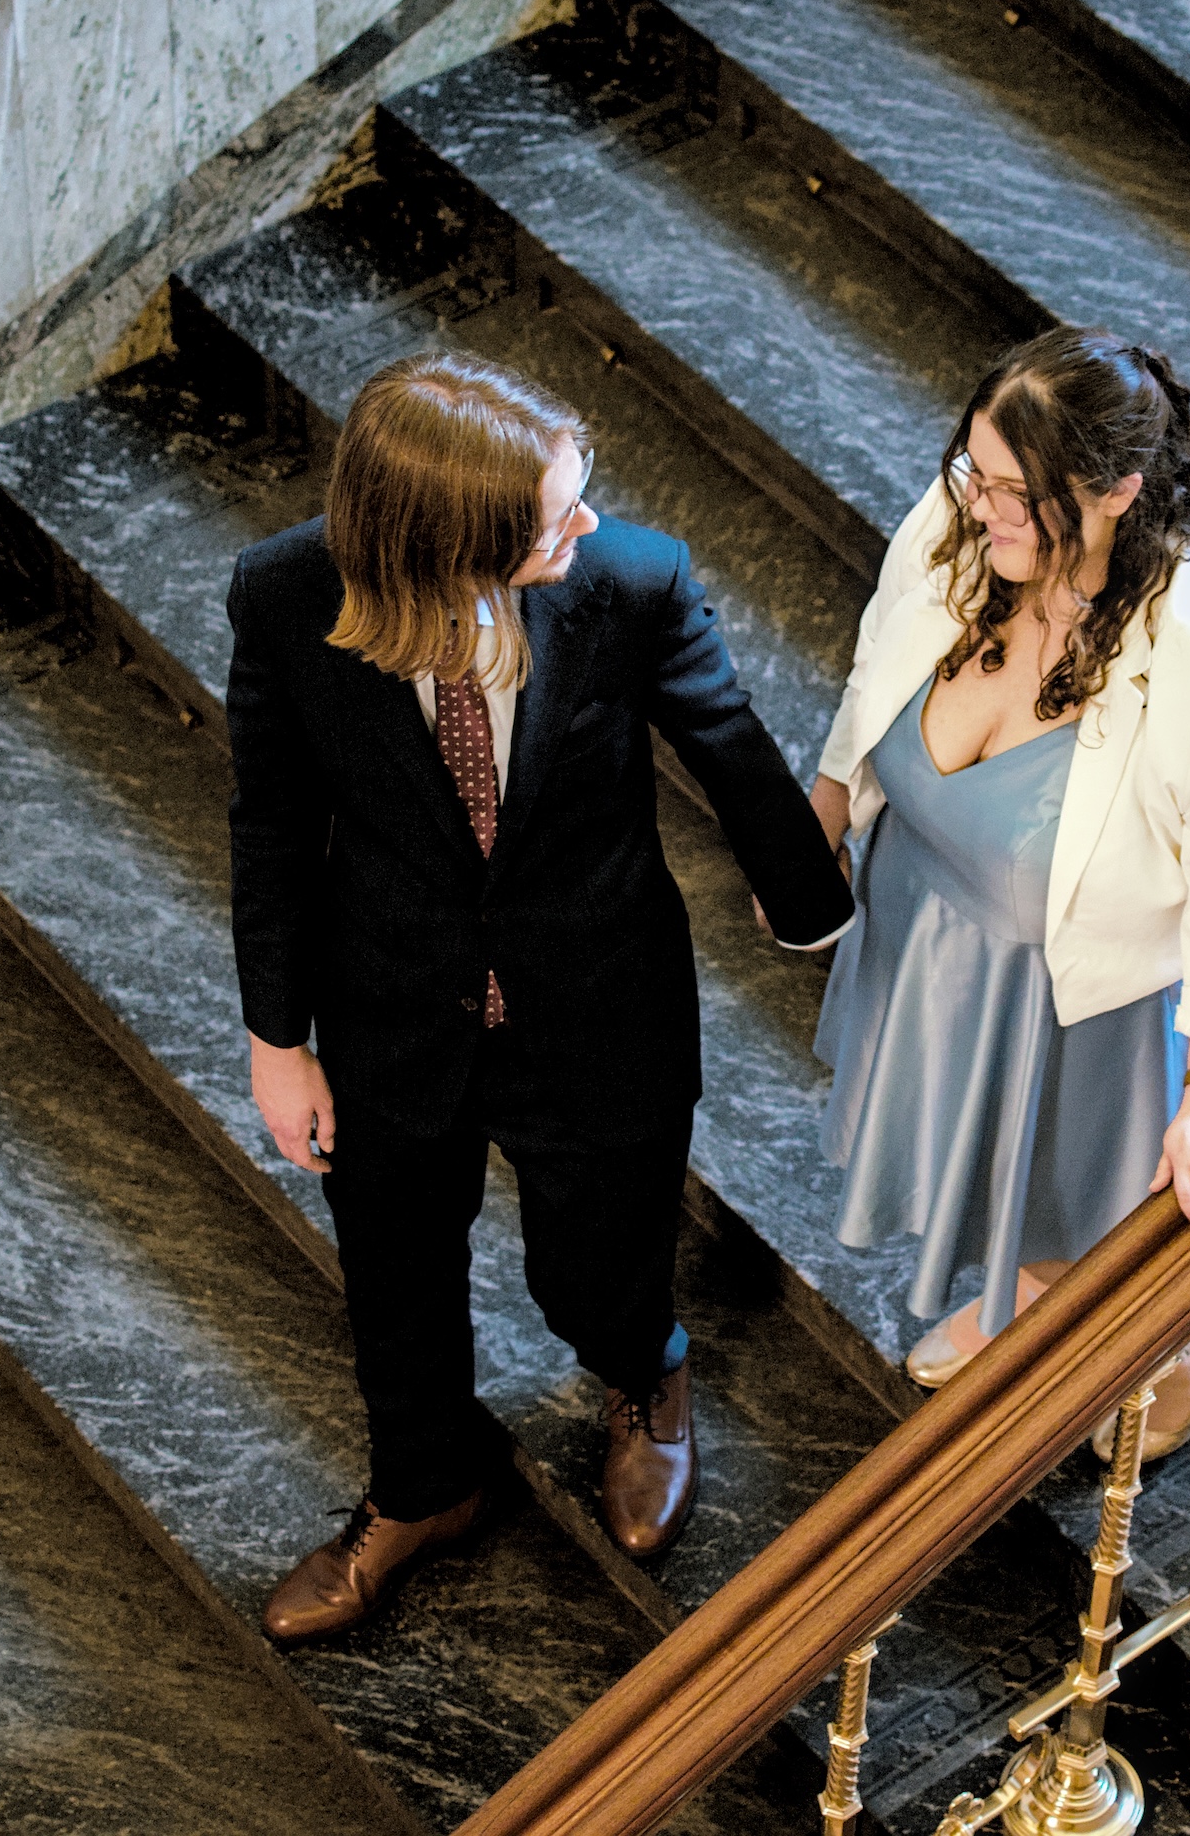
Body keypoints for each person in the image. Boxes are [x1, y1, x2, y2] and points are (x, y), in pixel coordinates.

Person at [227, 350, 853, 1644]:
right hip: (392, 1004)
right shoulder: (288, 597)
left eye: (578, 494)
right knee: (393, 1269)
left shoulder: (629, 579)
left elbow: (726, 738)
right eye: (551, 516)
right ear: (444, 540)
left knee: (599, 1254)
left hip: (598, 995)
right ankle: (423, 1490)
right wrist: (278, 1042)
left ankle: (643, 1377)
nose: (585, 525)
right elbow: (273, 824)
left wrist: (814, 905)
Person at [808, 329, 1190, 1459]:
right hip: (938, 942)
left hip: (1089, 1007)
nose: (972, 506)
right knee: (987, 1162)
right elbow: (878, 661)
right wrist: (827, 805)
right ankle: (1024, 1294)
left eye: (1012, 492)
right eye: (975, 471)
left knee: (1084, 1198)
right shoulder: (963, 524)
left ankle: (1181, 1345)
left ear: (1112, 494)